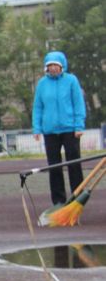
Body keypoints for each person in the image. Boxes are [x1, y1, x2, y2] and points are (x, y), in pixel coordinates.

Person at [32, 51, 86, 206]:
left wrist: (79, 126)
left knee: (74, 165)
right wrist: (37, 128)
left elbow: (78, 104)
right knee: (54, 167)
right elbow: (38, 107)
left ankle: (77, 198)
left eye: (56, 65)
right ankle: (58, 200)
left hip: (70, 130)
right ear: (46, 68)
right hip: (50, 131)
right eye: (50, 66)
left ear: (62, 66)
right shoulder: (42, 84)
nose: (53, 68)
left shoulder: (71, 80)